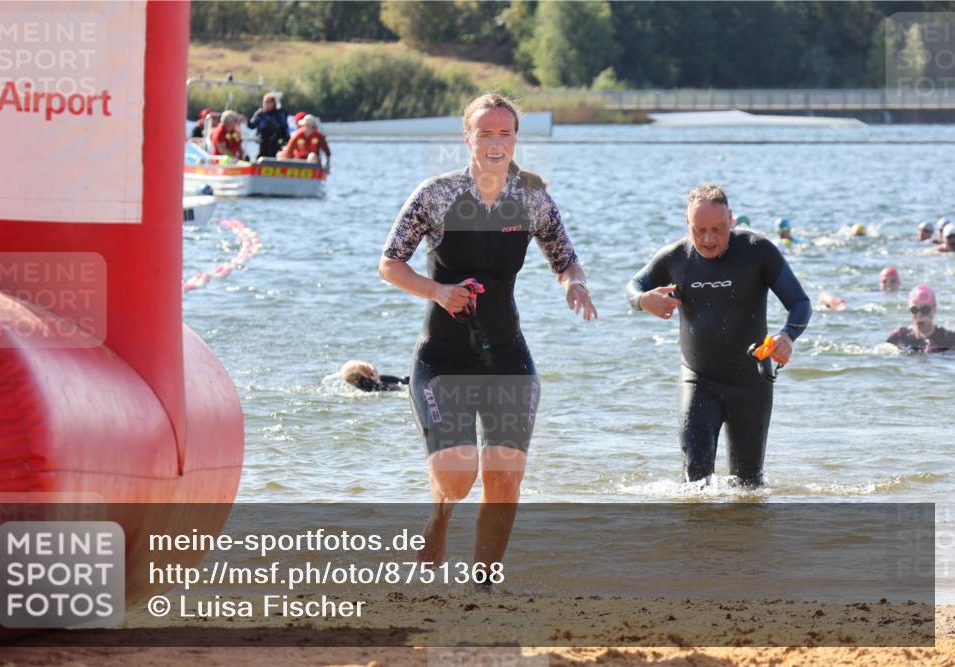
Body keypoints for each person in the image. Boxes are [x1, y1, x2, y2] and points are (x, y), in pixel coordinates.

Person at [379, 93, 597, 574]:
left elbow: (565, 260)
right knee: (458, 478)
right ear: (468, 137)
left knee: (504, 479)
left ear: (516, 138)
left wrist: (575, 284)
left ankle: (484, 584)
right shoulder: (436, 194)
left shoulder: (532, 198)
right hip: (442, 355)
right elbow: (390, 264)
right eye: (486, 132)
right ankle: (439, 519)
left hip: (506, 354)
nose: (496, 143)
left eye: (505, 133)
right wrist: (437, 290)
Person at [627, 184, 811, 487]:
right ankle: (699, 536)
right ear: (687, 224)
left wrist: (788, 336)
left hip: (752, 383)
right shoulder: (676, 257)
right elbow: (634, 285)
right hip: (698, 381)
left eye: (718, 229)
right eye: (700, 231)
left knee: (748, 487)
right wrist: (643, 300)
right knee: (696, 482)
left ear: (732, 220)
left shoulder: (757, 251)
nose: (709, 239)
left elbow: (800, 303)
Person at [887, 285, 955, 353]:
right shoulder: (899, 337)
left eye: (925, 310)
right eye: (914, 310)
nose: (919, 315)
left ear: (934, 310)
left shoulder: (949, 339)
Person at [248, 93, 291, 159]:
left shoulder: (280, 114)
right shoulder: (260, 114)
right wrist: (246, 120)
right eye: (264, 102)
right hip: (263, 143)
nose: (265, 104)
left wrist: (285, 142)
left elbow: (284, 128)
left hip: (276, 143)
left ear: (273, 103)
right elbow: (252, 126)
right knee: (261, 159)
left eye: (267, 102)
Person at [340, 360, 408, 392]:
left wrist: (377, 378)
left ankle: (406, 382)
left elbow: (372, 369)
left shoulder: (364, 367)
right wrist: (377, 380)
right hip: (363, 381)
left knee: (398, 380)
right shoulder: (364, 379)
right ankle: (404, 388)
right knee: (396, 387)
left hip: (360, 377)